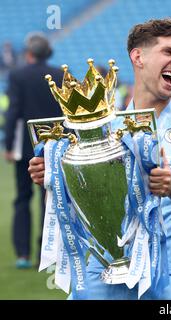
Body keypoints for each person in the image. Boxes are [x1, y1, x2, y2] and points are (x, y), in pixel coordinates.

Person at [28, 18, 171, 299]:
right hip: (103, 263)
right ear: (138, 57)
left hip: (169, 263)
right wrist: (52, 175)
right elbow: (79, 202)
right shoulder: (98, 129)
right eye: (168, 52)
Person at [4, 33, 63, 269]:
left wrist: (8, 145)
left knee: (21, 199)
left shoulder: (18, 75)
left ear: (29, 53)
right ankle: (45, 254)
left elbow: (13, 112)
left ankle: (22, 254)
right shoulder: (59, 74)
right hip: (53, 147)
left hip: (25, 149)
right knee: (49, 200)